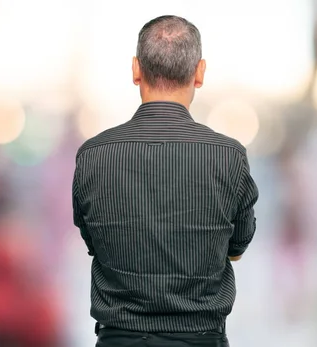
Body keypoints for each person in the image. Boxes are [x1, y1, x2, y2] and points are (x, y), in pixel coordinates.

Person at [72, 15, 259, 347]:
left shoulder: (93, 155)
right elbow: (238, 246)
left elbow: (93, 242)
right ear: (199, 73)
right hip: (200, 339)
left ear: (136, 70)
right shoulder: (228, 156)